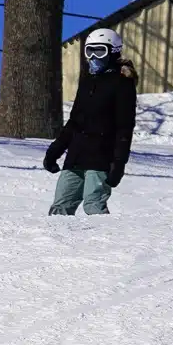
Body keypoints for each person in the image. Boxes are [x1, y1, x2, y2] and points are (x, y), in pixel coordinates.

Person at [44, 26, 136, 216]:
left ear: (113, 53)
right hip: (76, 156)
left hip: (101, 157)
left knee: (93, 206)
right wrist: (55, 151)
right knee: (60, 207)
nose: (93, 57)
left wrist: (118, 163)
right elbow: (74, 121)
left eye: (99, 51)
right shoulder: (87, 82)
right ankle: (56, 245)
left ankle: (99, 245)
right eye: (90, 51)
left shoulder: (122, 84)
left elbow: (124, 128)